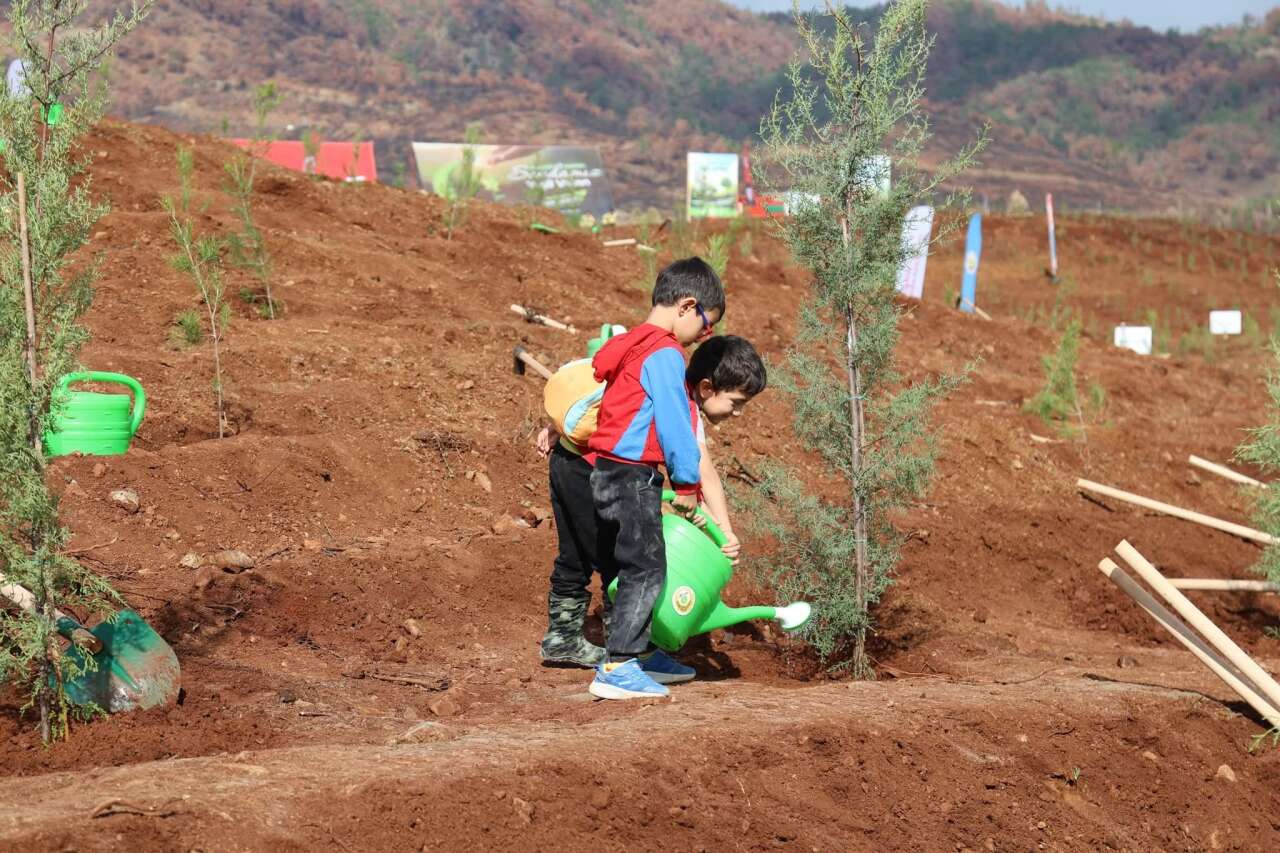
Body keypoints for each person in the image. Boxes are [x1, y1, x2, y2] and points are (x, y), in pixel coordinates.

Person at [536, 334, 769, 670]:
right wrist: (723, 531)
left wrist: (559, 428)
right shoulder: (680, 406)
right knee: (624, 561)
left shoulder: (658, 380)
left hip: (568, 461)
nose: (738, 412)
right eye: (736, 402)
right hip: (595, 474)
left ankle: (562, 639)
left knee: (575, 555)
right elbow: (701, 472)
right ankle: (630, 654)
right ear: (706, 388)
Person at [584, 258, 724, 700]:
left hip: (604, 471)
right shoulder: (664, 353)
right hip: (632, 475)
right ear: (687, 306)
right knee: (646, 568)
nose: (704, 336)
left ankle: (637, 654)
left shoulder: (630, 343)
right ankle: (621, 665)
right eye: (706, 325)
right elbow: (674, 424)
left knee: (625, 566)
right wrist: (686, 485)